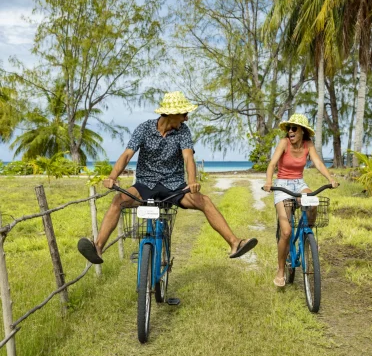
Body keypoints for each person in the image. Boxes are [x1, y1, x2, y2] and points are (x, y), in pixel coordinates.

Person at [78, 91, 258, 264]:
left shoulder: (183, 131)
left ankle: (235, 243)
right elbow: (127, 155)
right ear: (172, 114)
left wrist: (193, 181)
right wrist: (112, 177)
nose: (186, 118)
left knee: (205, 201)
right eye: (184, 114)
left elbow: (188, 158)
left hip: (174, 186)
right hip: (145, 184)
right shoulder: (144, 128)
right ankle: (98, 246)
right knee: (118, 200)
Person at [262, 113, 338, 288]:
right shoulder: (284, 143)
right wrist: (268, 181)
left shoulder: (308, 144)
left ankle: (307, 236)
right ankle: (280, 270)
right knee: (286, 231)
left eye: (294, 128)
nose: (290, 131)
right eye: (289, 128)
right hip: (282, 184)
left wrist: (330, 179)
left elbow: (318, 163)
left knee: (312, 202)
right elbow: (272, 164)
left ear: (302, 131)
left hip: (299, 182)